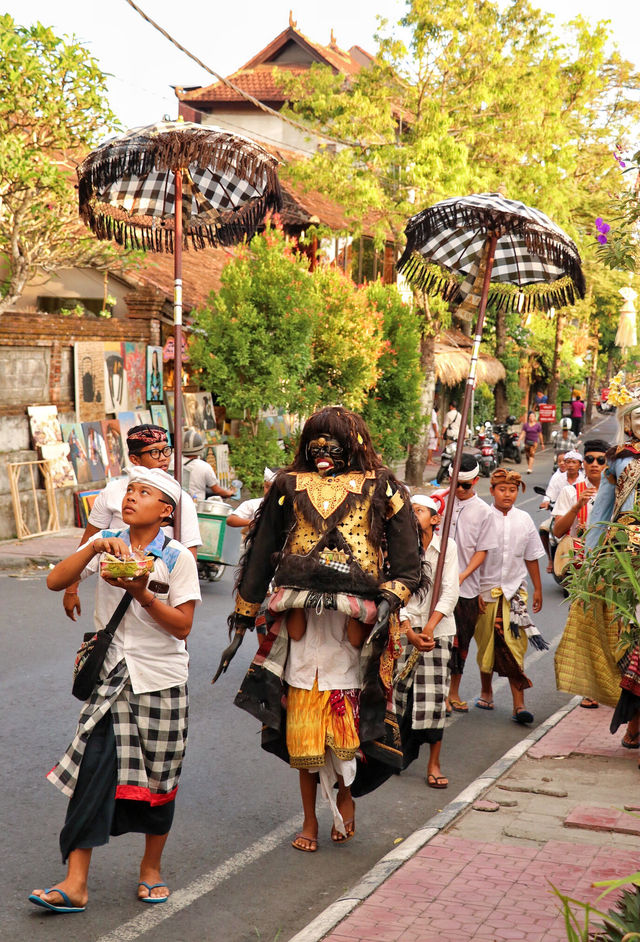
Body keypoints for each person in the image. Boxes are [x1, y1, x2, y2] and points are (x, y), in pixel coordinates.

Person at [228, 407, 421, 852]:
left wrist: (389, 596)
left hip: (351, 654)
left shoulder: (382, 485)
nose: (323, 451)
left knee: (345, 744)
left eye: (333, 442)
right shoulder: (286, 486)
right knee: (303, 749)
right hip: (300, 654)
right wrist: (250, 606)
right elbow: (262, 550)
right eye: (315, 441)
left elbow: (407, 561)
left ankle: (346, 797)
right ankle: (310, 820)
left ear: (353, 444)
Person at [29, 467, 201, 912]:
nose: (131, 497)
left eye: (144, 493)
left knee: (161, 778)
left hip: (161, 680)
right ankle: (75, 881)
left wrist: (143, 593)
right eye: (130, 490)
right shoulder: (105, 542)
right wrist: (91, 548)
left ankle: (150, 869)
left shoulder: (177, 556)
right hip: (111, 679)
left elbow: (183, 626)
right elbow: (53, 581)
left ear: (165, 510)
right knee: (93, 772)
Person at [63, 425, 201, 621]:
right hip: (115, 585)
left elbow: (190, 551)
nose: (164, 458)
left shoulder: (177, 497)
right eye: (154, 452)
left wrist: (181, 601)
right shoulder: (111, 494)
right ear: (135, 459)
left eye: (166, 450)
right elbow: (87, 543)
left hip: (159, 586)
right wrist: (71, 589)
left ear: (166, 510)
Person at [394, 495, 459, 789]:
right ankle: (393, 751)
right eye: (409, 510)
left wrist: (430, 628)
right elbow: (396, 592)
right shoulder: (397, 548)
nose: (411, 514)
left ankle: (434, 763)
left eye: (418, 510)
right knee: (396, 692)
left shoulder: (447, 549)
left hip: (438, 630)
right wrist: (409, 631)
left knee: (433, 698)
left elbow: (450, 592)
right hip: (404, 628)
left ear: (434, 519)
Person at [475, 469, 546, 724]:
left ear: (518, 492)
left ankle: (519, 705)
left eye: (512, 490)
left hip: (516, 593)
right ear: (492, 490)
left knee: (515, 646)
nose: (507, 494)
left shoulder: (525, 519)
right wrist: (474, 592)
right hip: (485, 591)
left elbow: (531, 556)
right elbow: (473, 557)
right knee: (487, 645)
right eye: (502, 489)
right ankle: (486, 690)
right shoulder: (483, 517)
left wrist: (537, 588)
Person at [553, 438, 609, 709]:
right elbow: (556, 531)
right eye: (591, 460)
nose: (595, 464)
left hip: (612, 572)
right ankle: (589, 690)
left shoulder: (621, 491)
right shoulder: (570, 491)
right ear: (582, 462)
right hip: (581, 572)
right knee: (584, 629)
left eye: (601, 459)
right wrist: (577, 507)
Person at [445, 454, 498, 714]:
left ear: (475, 481)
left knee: (460, 641)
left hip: (465, 588)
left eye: (465, 485)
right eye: (455, 483)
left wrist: (464, 575)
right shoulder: (440, 502)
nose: (459, 490)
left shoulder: (484, 512)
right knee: (436, 640)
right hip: (436, 586)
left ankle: (453, 693)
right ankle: (438, 692)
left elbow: (482, 551)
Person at [538, 450, 584, 573]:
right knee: (544, 528)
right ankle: (550, 559)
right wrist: (546, 501)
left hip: (580, 518)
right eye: (567, 462)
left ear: (580, 465)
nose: (570, 465)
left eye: (573, 462)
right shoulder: (557, 478)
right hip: (559, 516)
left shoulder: (584, 480)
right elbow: (549, 494)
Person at [181, 428, 235, 502]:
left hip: (177, 504)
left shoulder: (173, 463)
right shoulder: (204, 466)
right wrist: (229, 493)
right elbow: (216, 490)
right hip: (197, 504)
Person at [226, 467, 276, 531]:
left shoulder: (288, 507)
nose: (270, 491)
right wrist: (253, 523)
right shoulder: (252, 504)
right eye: (267, 487)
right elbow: (231, 520)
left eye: (274, 488)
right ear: (263, 485)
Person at [426, 400, 440, 466]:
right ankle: (429, 460)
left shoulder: (431, 412)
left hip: (432, 432)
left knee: (431, 447)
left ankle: (430, 459)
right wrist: (436, 432)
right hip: (432, 433)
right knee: (430, 447)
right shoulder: (433, 412)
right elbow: (434, 423)